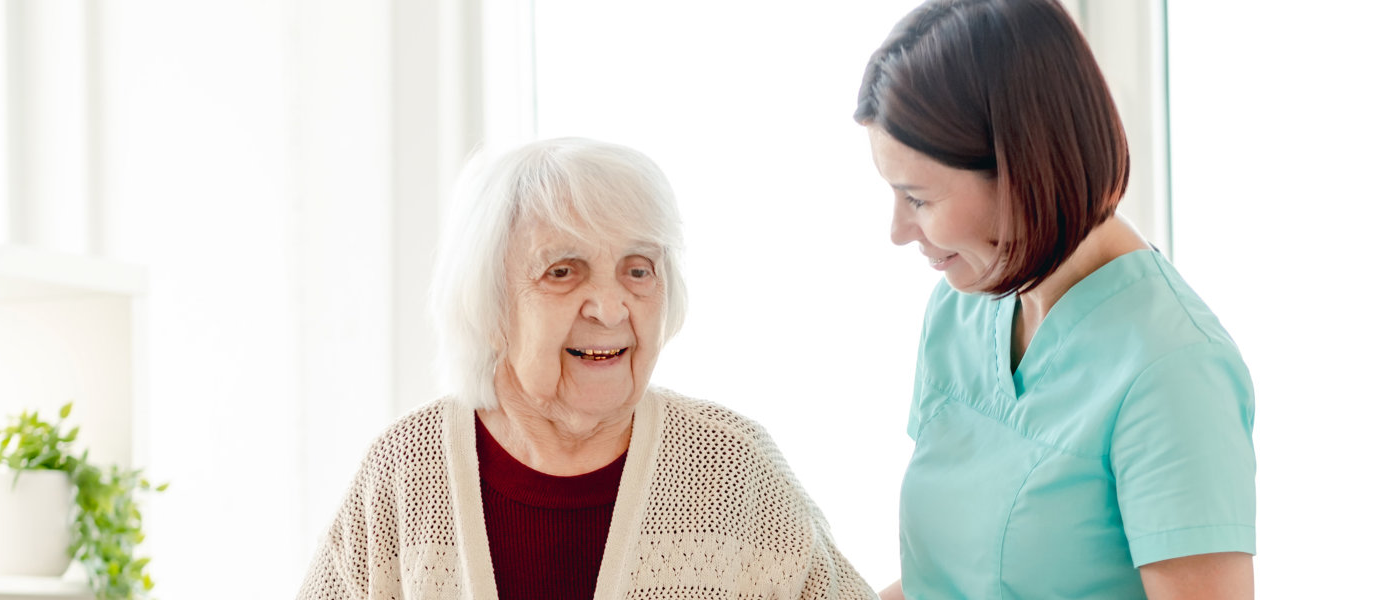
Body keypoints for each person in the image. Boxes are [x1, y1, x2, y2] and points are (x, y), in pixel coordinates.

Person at [296, 138, 875, 599]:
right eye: (563, 271)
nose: (609, 306)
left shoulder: (732, 466)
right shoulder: (405, 472)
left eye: (638, 269)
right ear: (491, 301)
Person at [855, 1, 1257, 598]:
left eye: (918, 199)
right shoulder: (964, 303)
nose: (897, 232)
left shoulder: (1173, 371)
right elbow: (940, 580)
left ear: (1021, 170)